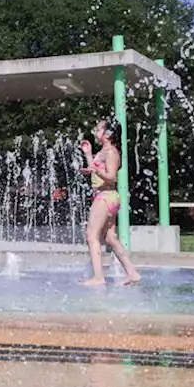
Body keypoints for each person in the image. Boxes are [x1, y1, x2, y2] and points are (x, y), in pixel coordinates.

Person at [78, 118, 141, 286]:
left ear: (108, 134)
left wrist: (96, 169)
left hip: (105, 196)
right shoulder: (103, 151)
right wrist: (88, 154)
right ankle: (132, 274)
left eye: (98, 130)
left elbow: (112, 177)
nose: (94, 132)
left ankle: (98, 278)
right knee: (110, 238)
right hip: (106, 197)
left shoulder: (111, 152)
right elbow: (95, 170)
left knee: (91, 235)